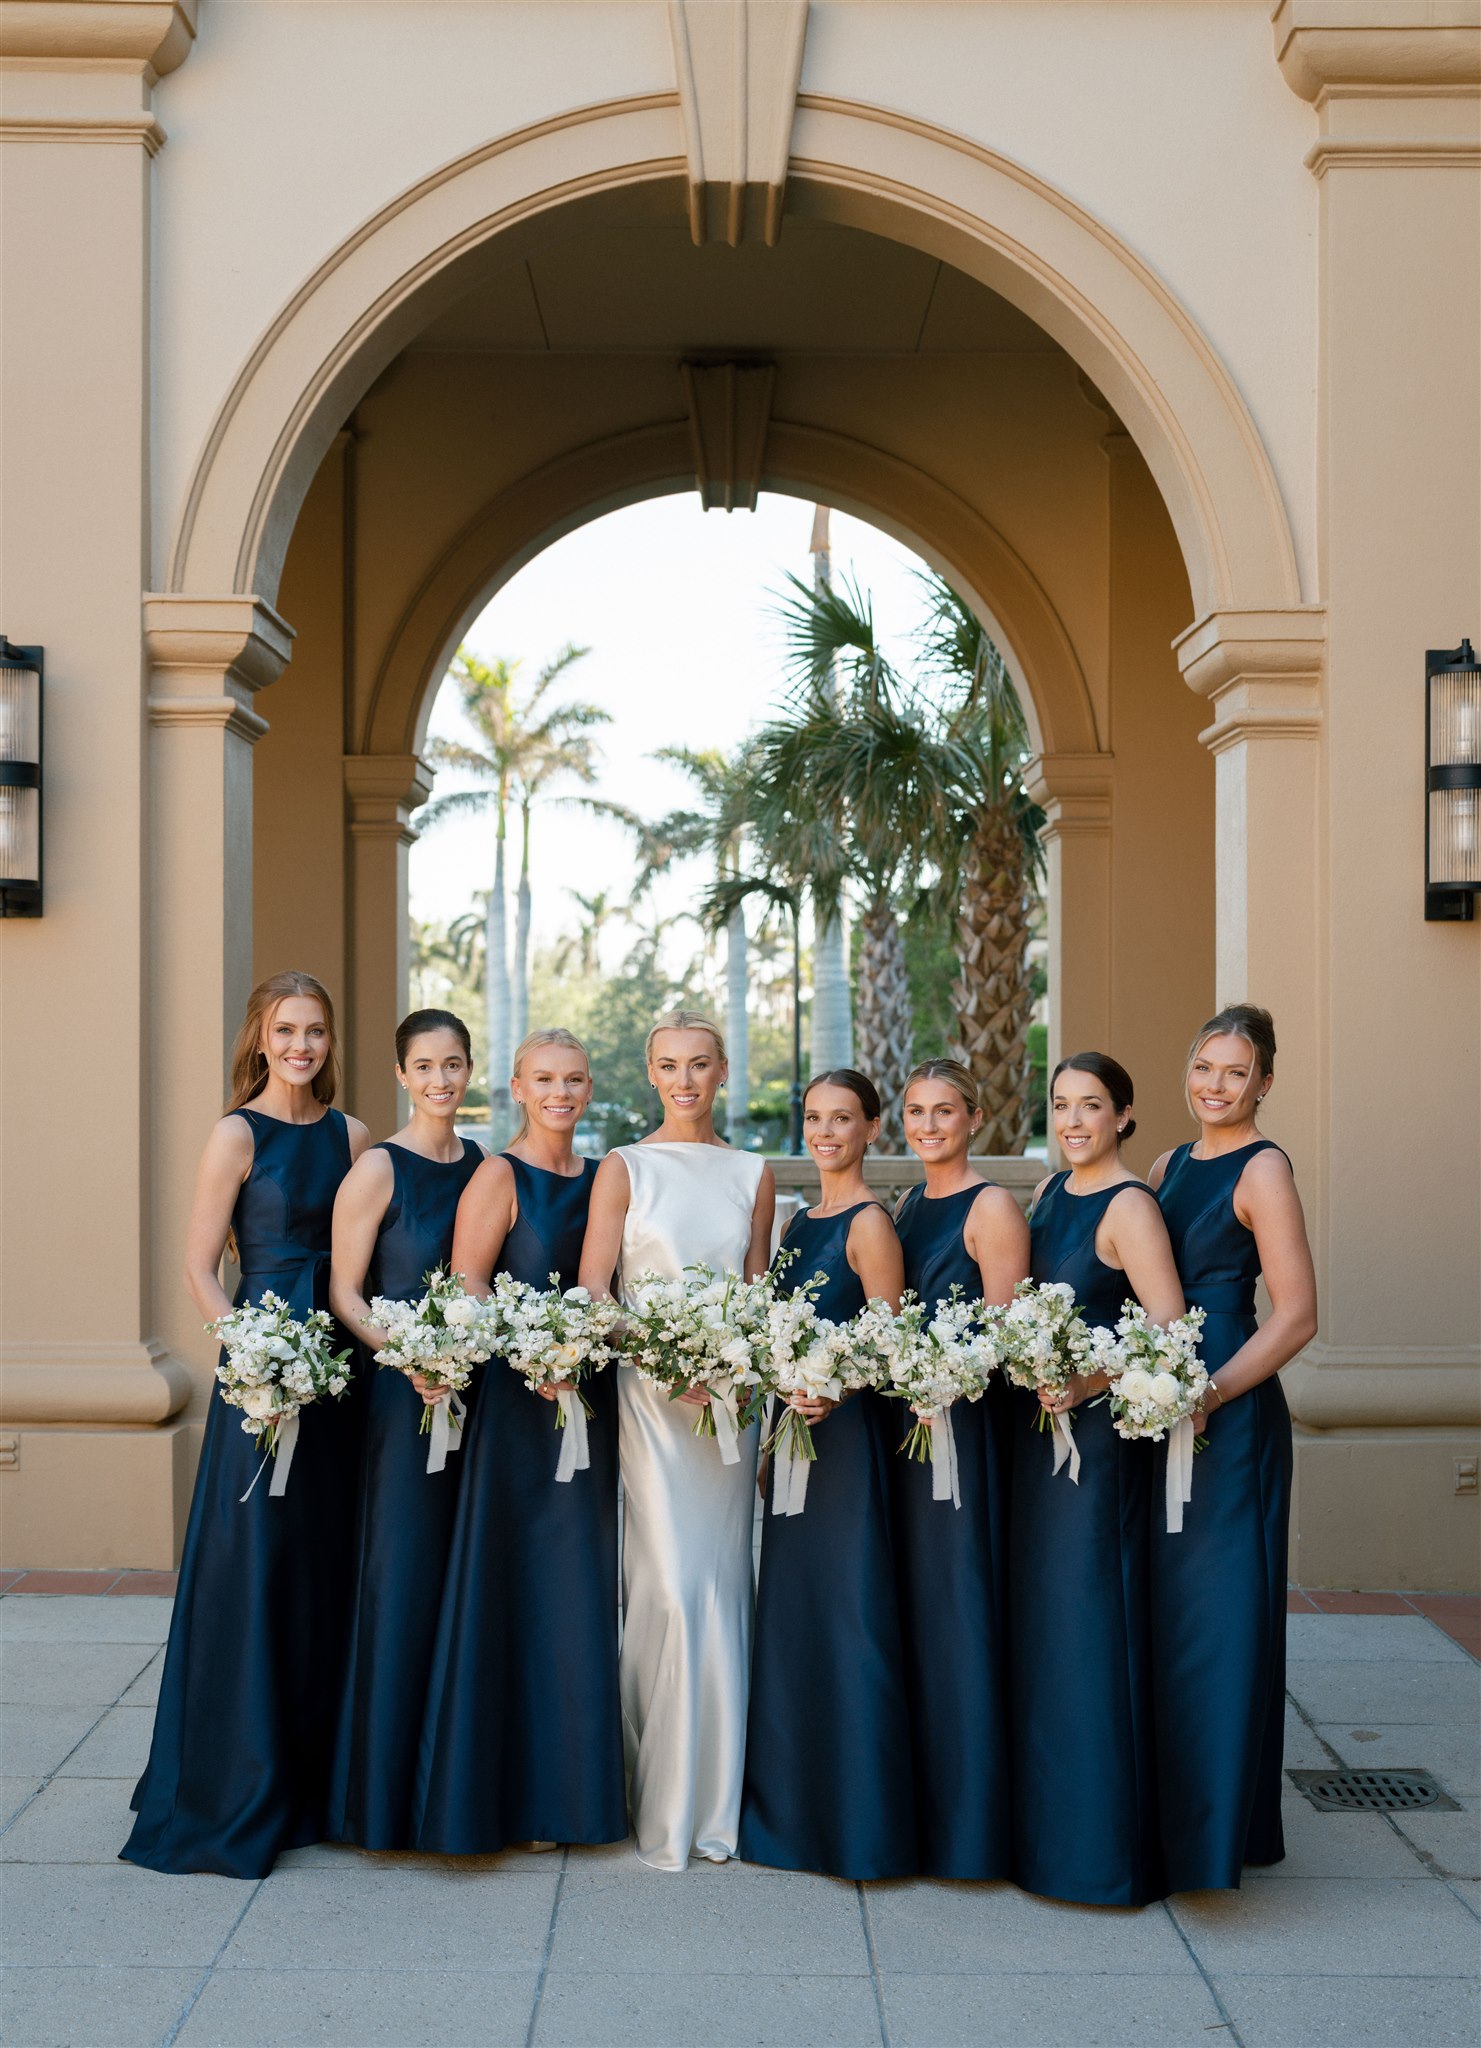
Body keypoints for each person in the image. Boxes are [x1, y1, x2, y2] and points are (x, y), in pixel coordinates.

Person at [123, 972, 370, 1878]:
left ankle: (313, 1780)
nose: (301, 1046)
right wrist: (252, 1355)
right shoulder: (235, 1133)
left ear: (328, 1043)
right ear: (259, 1040)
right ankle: (235, 1777)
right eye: (286, 1031)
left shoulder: (352, 1136)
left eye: (315, 1032)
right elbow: (198, 1267)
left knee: (322, 1562)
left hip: (339, 1366)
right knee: (256, 1560)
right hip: (263, 1368)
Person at [414, 1029, 626, 1855]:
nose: (561, 1093)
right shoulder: (496, 1175)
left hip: (585, 1400)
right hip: (515, 1408)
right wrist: (531, 1351)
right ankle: (499, 1794)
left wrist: (581, 1345)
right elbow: (467, 1287)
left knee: (574, 1586)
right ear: (514, 1087)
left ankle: (569, 1797)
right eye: (544, 1079)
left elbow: (603, 1284)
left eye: (574, 1079)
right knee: (511, 1582)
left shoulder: (608, 1175)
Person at [578, 1009, 774, 1871]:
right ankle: (651, 1795)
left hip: (729, 1405)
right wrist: (662, 1360)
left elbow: (759, 1292)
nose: (684, 1079)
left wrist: (733, 1367)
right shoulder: (624, 1168)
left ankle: (718, 1798)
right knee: (662, 1585)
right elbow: (594, 1287)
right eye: (668, 1065)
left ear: (722, 1072)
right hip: (653, 1403)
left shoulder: (753, 1173)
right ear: (650, 1074)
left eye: (699, 1064)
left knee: (722, 1585)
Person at [1009, 1051, 1186, 1906]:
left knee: (1090, 1632)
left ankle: (1103, 1854)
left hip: (1099, 1451)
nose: (1072, 1120)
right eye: (1060, 1105)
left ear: (1122, 1115)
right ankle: (1046, 1838)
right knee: (1045, 1634)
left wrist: (1086, 1381)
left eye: (1090, 1106)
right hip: (1036, 1447)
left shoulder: (1128, 1207)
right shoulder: (1046, 1197)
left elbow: (1167, 1332)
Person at [1148, 1004, 1317, 1890]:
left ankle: (1223, 1828)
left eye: (1234, 1073)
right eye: (1204, 1068)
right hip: (1152, 1404)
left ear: (1263, 1083)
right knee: (1166, 1610)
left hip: (1230, 1410)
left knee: (1221, 1618)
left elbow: (1295, 1315)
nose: (1215, 1086)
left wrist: (1208, 1391)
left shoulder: (1263, 1170)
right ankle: (1169, 1808)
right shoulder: (1167, 1164)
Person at [739, 1069, 914, 1881]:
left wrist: (832, 1387)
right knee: (795, 1618)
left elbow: (889, 1343)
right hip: (792, 1435)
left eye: (841, 1119)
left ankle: (860, 1825)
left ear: (871, 1129)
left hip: (846, 1447)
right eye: (813, 1118)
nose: (824, 1132)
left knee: (850, 1618)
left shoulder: (870, 1223)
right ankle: (791, 1813)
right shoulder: (794, 1219)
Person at [326, 1009, 483, 1850]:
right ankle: (381, 1796)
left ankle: (450, 1777)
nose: (440, 1080)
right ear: (401, 1073)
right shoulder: (377, 1168)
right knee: (401, 1570)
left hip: (473, 1395)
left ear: (469, 1071)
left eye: (453, 1064)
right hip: (400, 1397)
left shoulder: (486, 1166)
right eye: (424, 1065)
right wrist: (409, 1353)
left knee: (459, 1576)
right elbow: (346, 1293)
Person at [891, 1058, 1029, 1880]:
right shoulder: (908, 1205)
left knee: (958, 1607)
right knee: (918, 1609)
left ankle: (973, 1825)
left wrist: (943, 1378)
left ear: (974, 1117)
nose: (929, 1124)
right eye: (915, 1111)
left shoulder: (991, 1206)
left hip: (963, 1436)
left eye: (945, 1111)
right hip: (908, 1431)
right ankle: (925, 1799)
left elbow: (1006, 1336)